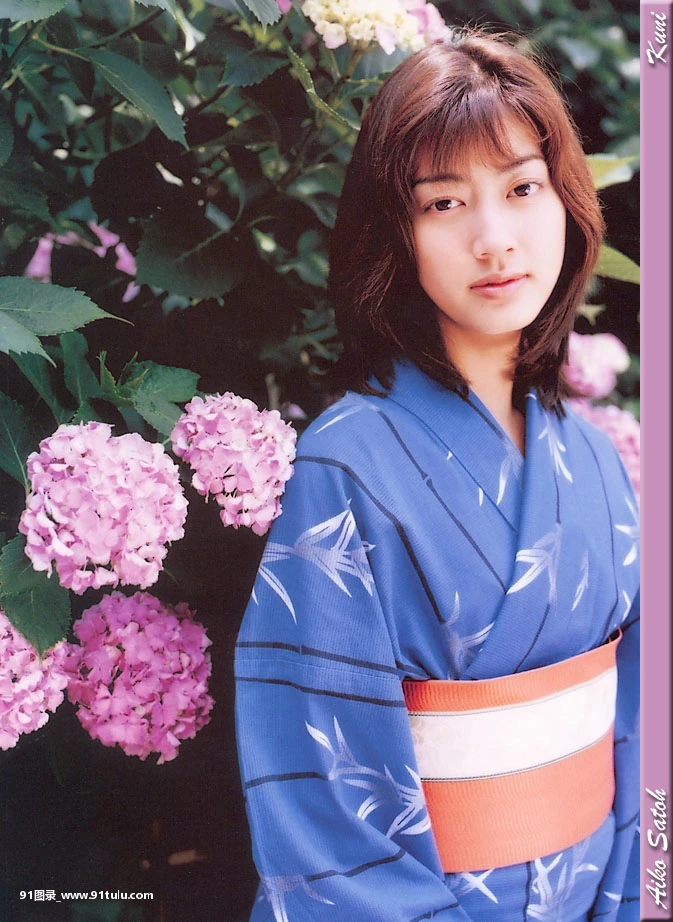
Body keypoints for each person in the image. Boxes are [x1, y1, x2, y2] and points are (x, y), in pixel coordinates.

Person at [234, 28, 640, 922]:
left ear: (566, 202)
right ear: (396, 234)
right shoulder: (346, 464)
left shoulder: (596, 461)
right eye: (444, 202)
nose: (494, 240)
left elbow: (642, 726)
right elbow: (322, 799)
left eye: (522, 189)